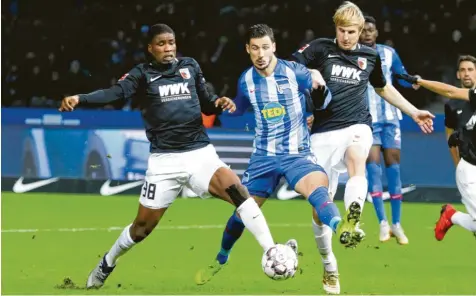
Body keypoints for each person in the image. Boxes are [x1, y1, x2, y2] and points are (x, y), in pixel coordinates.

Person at [59, 23, 279, 289]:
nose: (168, 48)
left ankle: (271, 251)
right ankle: (107, 262)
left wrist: (219, 102)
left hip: (200, 153)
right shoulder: (142, 74)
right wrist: (80, 98)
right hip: (164, 162)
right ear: (150, 48)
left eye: (171, 42)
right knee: (141, 229)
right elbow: (115, 93)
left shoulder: (190, 67)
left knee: (239, 192)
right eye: (161, 44)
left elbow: (207, 102)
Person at [194, 24, 364, 290]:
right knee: (242, 212)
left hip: (296, 154)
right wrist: (229, 105)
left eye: (265, 47)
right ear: (247, 50)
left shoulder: (296, 72)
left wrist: (319, 93)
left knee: (318, 191)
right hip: (263, 158)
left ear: (274, 46)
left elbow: (325, 101)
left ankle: (341, 227)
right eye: (255, 48)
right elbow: (240, 107)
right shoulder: (246, 80)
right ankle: (221, 258)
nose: (260, 53)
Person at [291, 2, 435, 294]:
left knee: (358, 157)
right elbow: (287, 68)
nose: (347, 37)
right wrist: (310, 76)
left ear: (361, 31)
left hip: (357, 125)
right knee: (320, 207)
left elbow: (383, 88)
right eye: (342, 31)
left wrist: (413, 111)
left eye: (352, 32)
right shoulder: (319, 49)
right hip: (322, 134)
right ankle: (329, 265)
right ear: (336, 29)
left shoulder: (370, 56)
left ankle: (353, 216)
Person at [396, 60, 476, 240]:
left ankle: (451, 215)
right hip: (470, 168)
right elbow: (451, 91)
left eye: (470, 69)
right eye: (463, 70)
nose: (466, 73)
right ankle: (451, 216)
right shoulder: (468, 98)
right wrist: (421, 81)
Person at [359, 15, 420, 244]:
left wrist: (412, 81)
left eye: (370, 30)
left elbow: (400, 76)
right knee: (373, 170)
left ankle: (397, 223)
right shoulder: (351, 54)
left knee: (394, 168)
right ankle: (382, 223)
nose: (366, 33)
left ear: (376, 33)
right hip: (366, 120)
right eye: (363, 29)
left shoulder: (388, 53)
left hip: (391, 118)